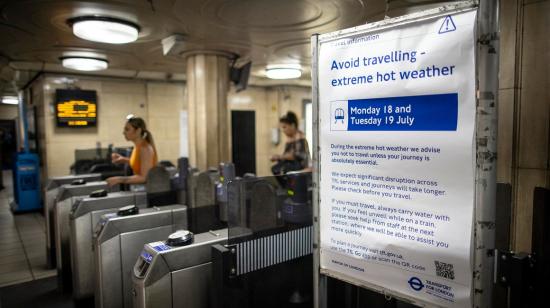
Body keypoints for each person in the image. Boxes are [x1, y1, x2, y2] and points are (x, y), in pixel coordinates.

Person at [106, 115, 158, 187]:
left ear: (138, 131)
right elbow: (140, 162)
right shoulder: (137, 147)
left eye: (127, 129)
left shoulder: (145, 148)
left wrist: (119, 179)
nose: (123, 132)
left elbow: (144, 178)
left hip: (146, 191)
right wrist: (124, 160)